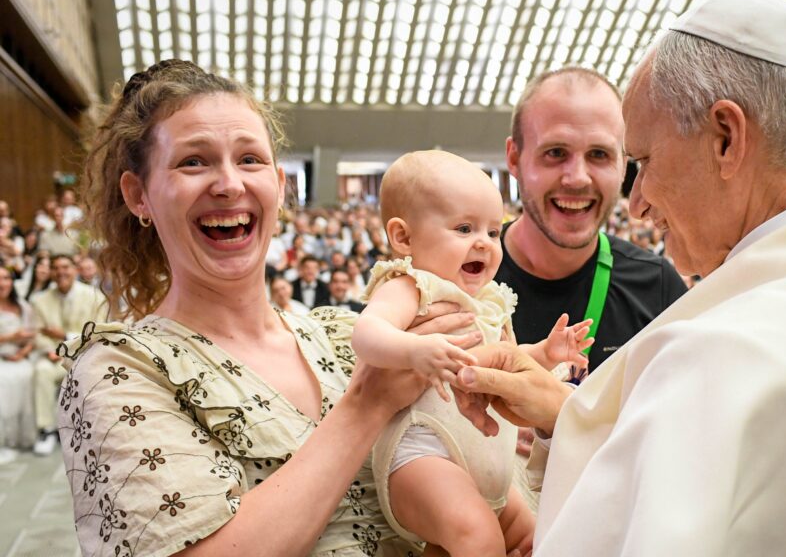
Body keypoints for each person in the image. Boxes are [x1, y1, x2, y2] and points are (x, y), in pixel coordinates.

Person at [454, 0, 786, 555]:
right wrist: (571, 417)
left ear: (727, 138)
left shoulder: (723, 348)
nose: (637, 204)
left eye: (644, 162)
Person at [58, 59, 479, 556]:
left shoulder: (350, 335)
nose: (230, 184)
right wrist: (366, 404)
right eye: (194, 161)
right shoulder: (121, 369)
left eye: (250, 160)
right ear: (139, 195)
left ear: (280, 187)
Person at [351, 150, 590, 556]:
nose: (484, 242)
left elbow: (505, 362)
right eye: (464, 228)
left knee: (538, 536)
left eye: (494, 232)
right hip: (422, 453)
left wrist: (546, 354)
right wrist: (415, 350)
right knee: (477, 537)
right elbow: (366, 333)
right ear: (404, 237)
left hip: (489, 464)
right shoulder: (411, 286)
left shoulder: (491, 299)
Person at [497, 66, 686, 373]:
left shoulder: (657, 290)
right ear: (515, 159)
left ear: (623, 167)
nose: (577, 178)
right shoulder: (456, 277)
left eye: (599, 154)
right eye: (556, 152)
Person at [30, 254, 106, 455]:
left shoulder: (95, 296)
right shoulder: (40, 300)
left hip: (85, 355)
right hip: (53, 358)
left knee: (88, 373)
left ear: (75, 270)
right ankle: (46, 429)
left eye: (65, 266)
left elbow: (98, 332)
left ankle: (89, 431)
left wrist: (65, 337)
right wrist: (52, 350)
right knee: (41, 370)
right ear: (51, 273)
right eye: (55, 268)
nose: (60, 271)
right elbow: (37, 333)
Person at [0, 265, 36, 463]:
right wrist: (10, 337)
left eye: (6, 278)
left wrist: (22, 352)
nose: (2, 283)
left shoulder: (23, 307)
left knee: (28, 374)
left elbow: (32, 337)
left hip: (19, 357)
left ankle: (20, 436)